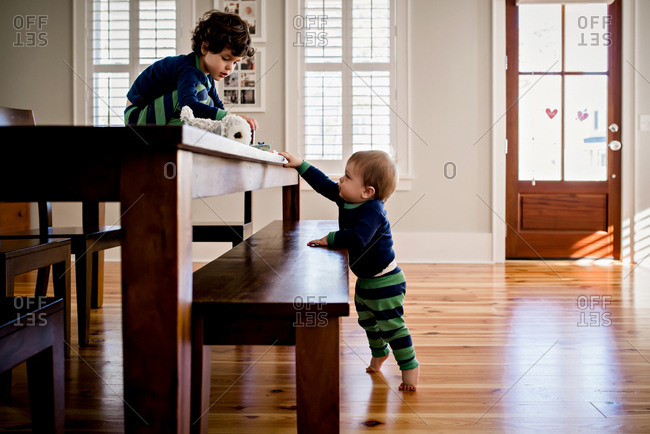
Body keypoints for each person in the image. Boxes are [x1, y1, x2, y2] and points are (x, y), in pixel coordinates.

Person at [278, 149, 420, 391]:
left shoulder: (373, 210)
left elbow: (359, 238)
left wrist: (330, 238)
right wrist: (301, 165)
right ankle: (379, 355)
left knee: (392, 326)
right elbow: (323, 184)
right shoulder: (347, 198)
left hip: (386, 282)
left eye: (347, 176)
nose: (340, 180)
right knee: (368, 323)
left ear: (367, 191)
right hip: (366, 280)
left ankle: (410, 369)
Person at [124, 10, 258, 131]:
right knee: (200, 95)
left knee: (209, 103)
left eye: (235, 62)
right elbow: (188, 105)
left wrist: (232, 121)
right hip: (136, 116)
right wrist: (227, 116)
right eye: (225, 58)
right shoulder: (189, 69)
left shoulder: (207, 77)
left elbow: (218, 107)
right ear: (204, 47)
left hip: (154, 111)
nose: (230, 68)